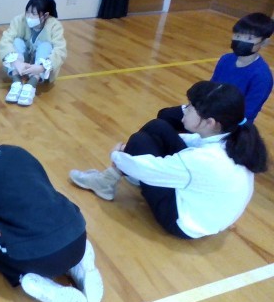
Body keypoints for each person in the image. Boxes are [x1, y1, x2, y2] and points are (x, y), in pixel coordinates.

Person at [0, 109, 103, 302]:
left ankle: (30, 279)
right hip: (77, 237)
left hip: (38, 260)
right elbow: (46, 187)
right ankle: (80, 264)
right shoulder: (19, 151)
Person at [70, 81, 269, 239]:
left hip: (184, 224)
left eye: (191, 107)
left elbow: (149, 170)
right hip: (210, 215)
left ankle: (106, 181)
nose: (185, 109)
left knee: (139, 142)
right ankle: (108, 180)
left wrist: (118, 155)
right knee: (158, 127)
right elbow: (192, 141)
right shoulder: (233, 137)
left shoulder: (203, 160)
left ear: (210, 122)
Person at [158, 12, 274, 129]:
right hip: (210, 110)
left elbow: (248, 112)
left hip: (229, 123)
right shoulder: (226, 59)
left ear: (264, 42)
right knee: (166, 115)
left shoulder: (262, 76)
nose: (241, 41)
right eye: (238, 36)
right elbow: (212, 87)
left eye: (249, 38)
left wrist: (210, 122)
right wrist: (195, 107)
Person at [0, 0, 67, 106]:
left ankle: (31, 84)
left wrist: (41, 67)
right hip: (21, 61)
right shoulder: (19, 20)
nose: (29, 16)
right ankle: (16, 82)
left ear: (45, 15)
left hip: (40, 65)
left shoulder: (55, 25)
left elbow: (60, 50)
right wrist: (16, 62)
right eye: (27, 12)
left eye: (34, 14)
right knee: (16, 41)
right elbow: (6, 39)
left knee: (46, 46)